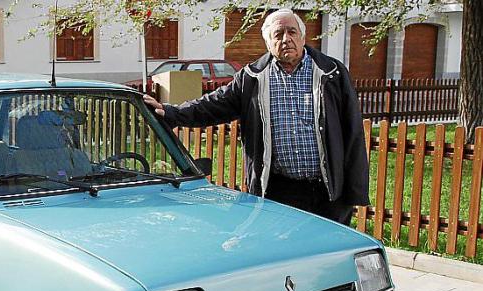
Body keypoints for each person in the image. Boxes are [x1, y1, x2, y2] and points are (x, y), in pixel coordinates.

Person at [143, 8, 369, 225]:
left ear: (302, 37)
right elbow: (213, 105)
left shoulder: (332, 73)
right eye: (278, 34)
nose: (286, 39)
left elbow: (353, 132)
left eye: (292, 32)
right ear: (268, 42)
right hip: (279, 191)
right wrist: (171, 112)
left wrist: (353, 192)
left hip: (329, 192)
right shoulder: (252, 77)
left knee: (328, 248)